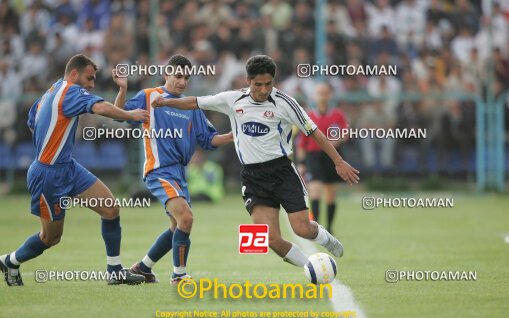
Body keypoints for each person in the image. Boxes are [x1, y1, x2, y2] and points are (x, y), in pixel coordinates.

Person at [152, 55, 359, 268]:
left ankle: (326, 239)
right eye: (258, 84)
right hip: (253, 178)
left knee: (302, 229)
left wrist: (339, 161)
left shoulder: (286, 103)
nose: (263, 90)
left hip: (282, 171)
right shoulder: (232, 99)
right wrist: (167, 101)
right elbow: (195, 101)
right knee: (269, 238)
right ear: (248, 80)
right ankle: (312, 268)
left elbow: (314, 133)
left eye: (268, 84)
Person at [0, 54, 148, 286]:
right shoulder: (69, 90)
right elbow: (100, 107)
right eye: (89, 78)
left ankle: (115, 270)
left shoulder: (50, 92)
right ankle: (10, 260)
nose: (91, 84)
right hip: (47, 175)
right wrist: (131, 114)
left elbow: (33, 121)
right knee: (51, 238)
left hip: (67, 166)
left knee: (111, 209)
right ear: (73, 74)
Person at [112, 55, 232, 284]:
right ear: (166, 74)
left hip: (179, 173)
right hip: (158, 170)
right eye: (178, 76)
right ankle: (179, 275)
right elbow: (120, 115)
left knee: (177, 225)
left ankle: (143, 267)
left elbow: (209, 139)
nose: (182, 81)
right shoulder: (148, 96)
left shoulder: (191, 106)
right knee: (186, 218)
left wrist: (232, 136)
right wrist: (122, 89)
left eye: (186, 77)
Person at [296, 83, 349, 234]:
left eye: (325, 93)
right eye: (319, 93)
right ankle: (317, 228)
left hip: (332, 157)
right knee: (315, 191)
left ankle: (330, 228)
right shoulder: (309, 116)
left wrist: (336, 141)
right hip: (314, 157)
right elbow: (302, 143)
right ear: (315, 96)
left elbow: (345, 133)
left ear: (330, 95)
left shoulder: (337, 114)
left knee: (331, 195)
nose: (322, 96)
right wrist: (301, 163)